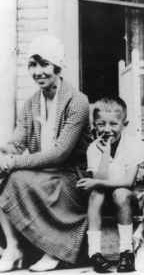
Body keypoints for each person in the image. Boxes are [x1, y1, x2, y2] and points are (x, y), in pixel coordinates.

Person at [0, 35, 91, 272]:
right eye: (33, 64)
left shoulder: (77, 101)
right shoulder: (31, 103)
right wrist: (4, 154)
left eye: (44, 64)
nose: (38, 71)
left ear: (57, 66)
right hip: (44, 173)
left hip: (72, 177)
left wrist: (13, 162)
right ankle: (13, 248)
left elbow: (60, 153)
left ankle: (54, 249)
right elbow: (16, 143)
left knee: (17, 176)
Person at [76, 97, 144, 273]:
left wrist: (96, 182)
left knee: (120, 193)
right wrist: (105, 153)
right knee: (96, 194)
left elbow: (128, 182)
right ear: (95, 125)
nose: (107, 129)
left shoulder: (132, 144)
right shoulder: (94, 147)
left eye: (113, 124)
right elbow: (100, 179)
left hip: (132, 196)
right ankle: (94, 252)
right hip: (108, 195)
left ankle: (126, 251)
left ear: (125, 124)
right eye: (101, 124)